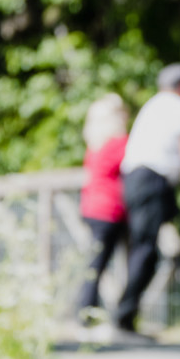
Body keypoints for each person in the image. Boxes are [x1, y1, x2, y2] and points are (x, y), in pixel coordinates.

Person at [116, 62, 180, 334]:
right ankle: (123, 317)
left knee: (144, 248)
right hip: (152, 180)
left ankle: (126, 315)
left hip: (134, 179)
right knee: (145, 251)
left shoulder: (153, 104)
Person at [77, 93, 128, 326]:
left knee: (95, 263)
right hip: (110, 210)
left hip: (91, 207)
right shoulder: (119, 143)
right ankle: (86, 312)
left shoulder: (94, 143)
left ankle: (87, 311)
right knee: (99, 264)